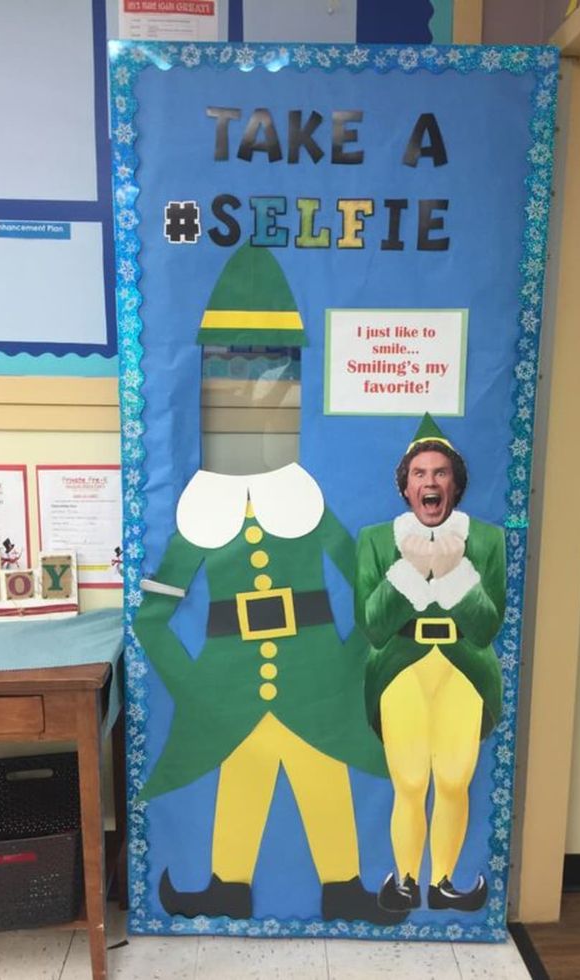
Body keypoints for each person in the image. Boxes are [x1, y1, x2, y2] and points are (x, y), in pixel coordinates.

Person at [134, 243, 404, 927]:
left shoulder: (307, 508)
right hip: (228, 677)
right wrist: (193, 682)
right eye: (231, 382)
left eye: (270, 382)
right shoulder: (199, 518)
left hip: (314, 669)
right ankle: (227, 888)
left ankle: (344, 888)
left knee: (321, 772)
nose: (251, 399)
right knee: (242, 776)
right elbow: (152, 617)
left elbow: (373, 588)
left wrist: (350, 663)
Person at [355, 414, 505, 913]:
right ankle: (404, 881)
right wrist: (413, 570)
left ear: (455, 485)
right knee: (412, 781)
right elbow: (374, 625)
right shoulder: (377, 541)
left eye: (440, 473)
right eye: (419, 474)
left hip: (463, 668)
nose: (430, 482)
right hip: (402, 667)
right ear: (405, 487)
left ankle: (442, 883)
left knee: (456, 778)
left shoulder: (486, 541)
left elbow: (486, 627)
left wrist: (454, 571)